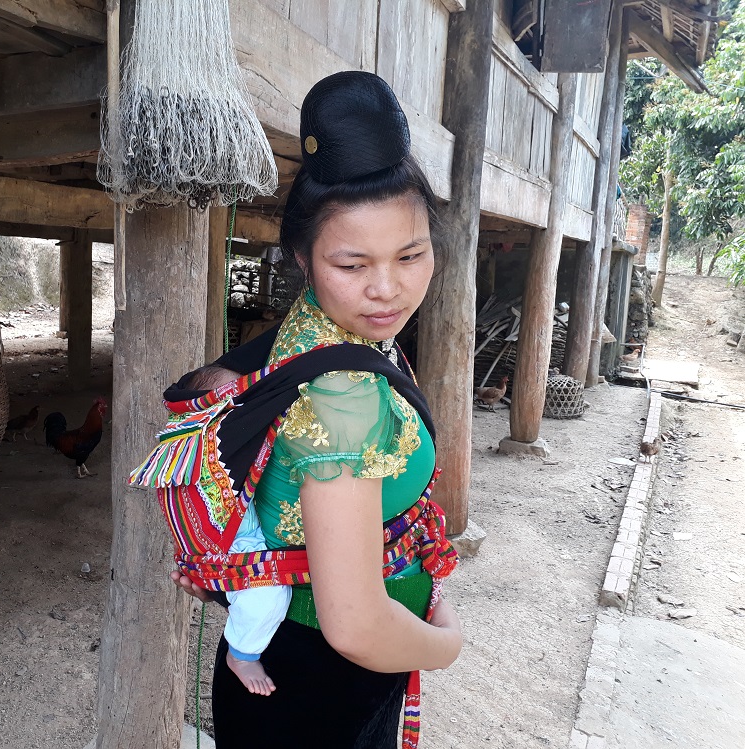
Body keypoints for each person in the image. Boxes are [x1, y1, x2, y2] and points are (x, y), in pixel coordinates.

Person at [171, 70, 463, 748]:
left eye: (410, 254)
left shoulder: (323, 329)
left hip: (296, 668)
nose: (386, 288)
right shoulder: (342, 400)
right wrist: (445, 645)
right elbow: (357, 625)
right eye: (352, 265)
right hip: (318, 688)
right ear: (301, 257)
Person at [185, 365, 292, 697]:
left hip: (242, 534)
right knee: (270, 594)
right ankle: (242, 655)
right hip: (234, 544)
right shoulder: (212, 444)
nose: (247, 407)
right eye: (235, 401)